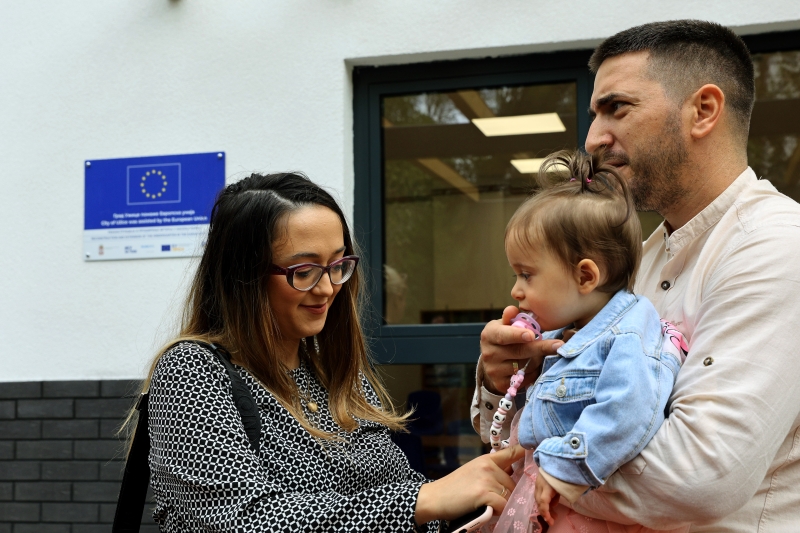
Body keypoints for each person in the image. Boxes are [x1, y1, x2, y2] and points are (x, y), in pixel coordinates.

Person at [473, 20, 800, 531]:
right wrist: (504, 378)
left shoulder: (778, 245)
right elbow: (546, 418)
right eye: (594, 114)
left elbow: (697, 476)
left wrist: (545, 467)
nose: (594, 139)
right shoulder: (639, 261)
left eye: (617, 108)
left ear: (703, 111)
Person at [129, 172, 523, 532]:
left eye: (338, 264)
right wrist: (422, 501)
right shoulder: (191, 368)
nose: (328, 288)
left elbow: (399, 497)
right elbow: (239, 519)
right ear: (243, 277)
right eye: (304, 271)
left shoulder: (330, 372)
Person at [487, 150, 687, 533]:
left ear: (585, 277)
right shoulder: (560, 333)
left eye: (526, 275)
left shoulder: (629, 332)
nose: (516, 291)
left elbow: (627, 410)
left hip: (582, 516)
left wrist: (565, 468)